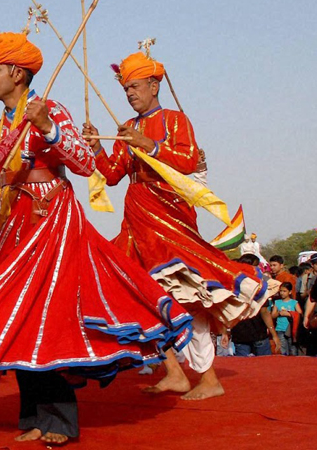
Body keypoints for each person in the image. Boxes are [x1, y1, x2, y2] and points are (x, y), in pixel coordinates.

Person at [0, 32, 193, 446]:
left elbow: (81, 163)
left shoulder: (52, 110)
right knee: (18, 317)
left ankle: (59, 420)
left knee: (51, 314)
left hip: (52, 219)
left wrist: (48, 128)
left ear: (16, 73)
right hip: (16, 221)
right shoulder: (2, 123)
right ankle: (33, 418)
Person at [82, 52, 278, 401]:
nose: (129, 94)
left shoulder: (175, 119)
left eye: (135, 86)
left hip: (168, 217)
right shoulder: (128, 126)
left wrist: (148, 145)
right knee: (140, 297)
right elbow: (112, 175)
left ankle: (208, 377)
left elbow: (188, 159)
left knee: (186, 296)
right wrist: (98, 147)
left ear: (154, 85)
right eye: (126, 88)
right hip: (136, 220)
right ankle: (174, 371)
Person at [271, 283, 301, 355]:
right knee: (283, 350)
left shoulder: (294, 302)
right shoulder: (277, 302)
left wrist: (289, 313)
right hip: (280, 329)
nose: (282, 293)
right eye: (281, 291)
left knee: (293, 350)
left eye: (284, 291)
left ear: (290, 292)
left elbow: (300, 313)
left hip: (291, 330)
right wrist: (279, 313)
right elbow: (272, 315)